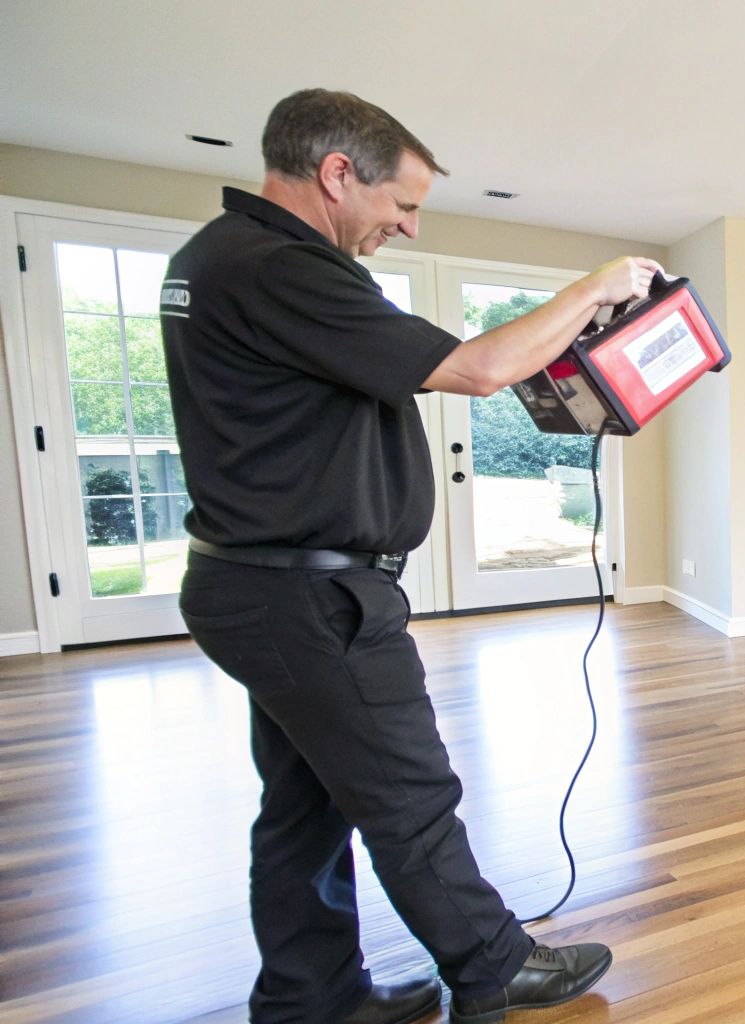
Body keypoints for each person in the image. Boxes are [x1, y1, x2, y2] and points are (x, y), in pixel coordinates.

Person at [161, 88, 660, 1024]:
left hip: (257, 584)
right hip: (306, 598)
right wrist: (592, 289)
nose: (408, 224)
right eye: (402, 202)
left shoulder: (218, 258)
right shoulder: (280, 267)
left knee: (306, 807)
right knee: (408, 790)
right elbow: (475, 368)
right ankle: (492, 963)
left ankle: (314, 998)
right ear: (337, 173)